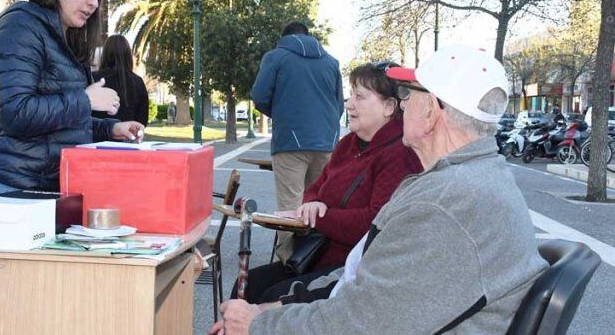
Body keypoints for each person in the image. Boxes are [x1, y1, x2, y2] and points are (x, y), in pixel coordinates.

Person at [212, 47, 548, 334]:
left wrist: (260, 324)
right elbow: (362, 279)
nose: (402, 106)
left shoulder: (445, 204)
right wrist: (280, 306)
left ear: (431, 110)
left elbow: (361, 321)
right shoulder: (471, 180)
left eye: (407, 95)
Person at [231, 62, 422, 305]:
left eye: (360, 97)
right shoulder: (348, 144)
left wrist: (320, 217)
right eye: (351, 94)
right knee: (248, 284)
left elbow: (375, 222)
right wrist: (311, 204)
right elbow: (315, 189)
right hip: (316, 256)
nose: (349, 104)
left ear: (389, 106)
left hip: (354, 269)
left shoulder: (398, 154)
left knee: (270, 299)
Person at [0, 0, 142, 196]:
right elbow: (15, 113)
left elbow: (65, 124)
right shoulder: (19, 26)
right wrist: (86, 99)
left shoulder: (66, 37)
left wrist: (110, 129)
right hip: (15, 187)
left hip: (56, 186)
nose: (93, 3)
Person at [251, 21, 343, 260]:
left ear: (284, 38)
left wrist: (281, 113)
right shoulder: (331, 62)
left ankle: (287, 260)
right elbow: (338, 104)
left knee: (290, 206)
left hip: (290, 141)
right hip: (326, 141)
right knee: (320, 202)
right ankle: (315, 257)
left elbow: (259, 96)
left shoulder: (276, 57)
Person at [92, 34, 149, 126]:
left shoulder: (94, 79)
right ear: (128, 55)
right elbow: (142, 119)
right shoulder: (137, 82)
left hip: (98, 136)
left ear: (105, 54)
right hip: (128, 136)